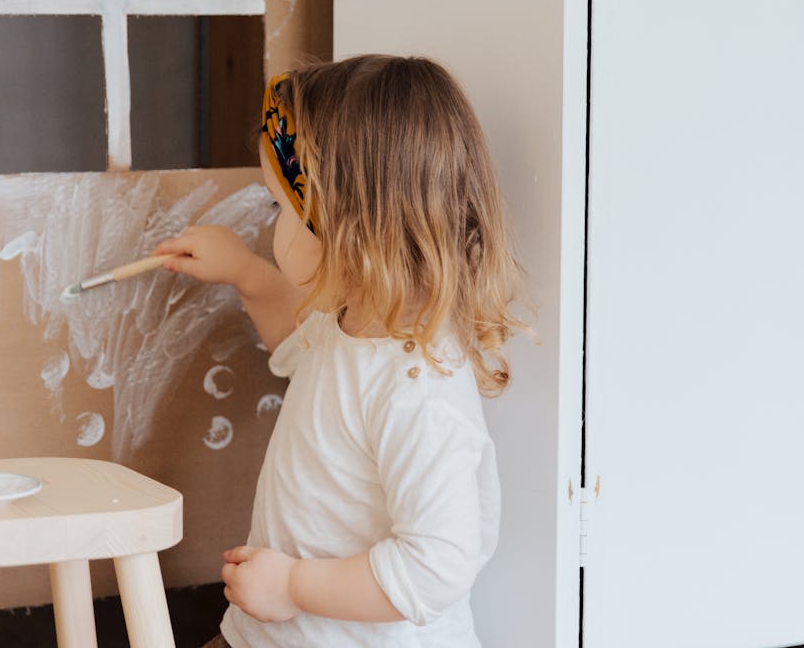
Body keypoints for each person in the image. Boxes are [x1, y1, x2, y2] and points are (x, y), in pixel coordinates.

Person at [154, 54, 527, 647]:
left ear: (351, 229)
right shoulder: (350, 322)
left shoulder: (416, 390)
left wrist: (294, 586)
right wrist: (247, 273)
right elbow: (298, 345)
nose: (270, 226)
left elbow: (436, 566)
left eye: (281, 208)